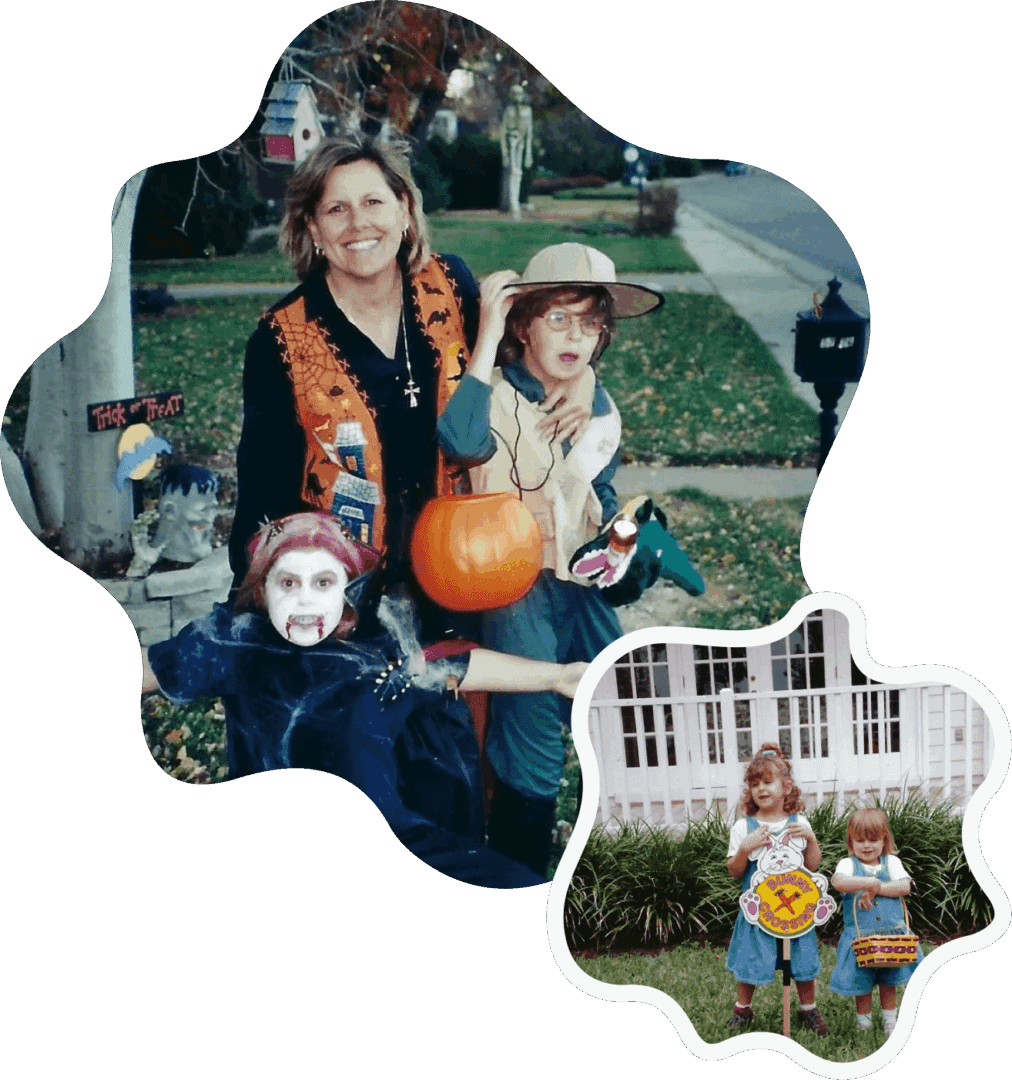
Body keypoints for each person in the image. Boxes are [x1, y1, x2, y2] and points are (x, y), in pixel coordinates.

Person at [143, 513, 588, 889]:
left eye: (322, 582)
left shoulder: (379, 655)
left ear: (346, 593)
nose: (304, 600)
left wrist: (558, 676)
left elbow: (458, 666)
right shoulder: (233, 645)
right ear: (262, 591)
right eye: (288, 582)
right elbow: (150, 669)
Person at [436, 243, 667, 877]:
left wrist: (625, 544)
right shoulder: (495, 391)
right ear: (522, 323)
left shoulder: (597, 405)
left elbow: (602, 492)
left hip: (580, 583)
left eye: (591, 322)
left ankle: (628, 862)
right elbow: (459, 441)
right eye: (558, 318)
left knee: (617, 701)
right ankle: (520, 865)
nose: (576, 336)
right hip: (513, 578)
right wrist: (487, 336)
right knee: (530, 722)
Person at [228, 131, 481, 645]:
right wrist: (278, 598)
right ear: (313, 229)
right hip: (346, 594)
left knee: (462, 714)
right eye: (336, 209)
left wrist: (580, 382)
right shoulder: (280, 337)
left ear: (405, 209)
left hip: (464, 562)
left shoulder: (451, 287)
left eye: (372, 202)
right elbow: (263, 485)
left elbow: (518, 365)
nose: (358, 223)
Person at [725, 743, 830, 1036]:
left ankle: (808, 1009)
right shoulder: (744, 828)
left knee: (801, 959)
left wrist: (811, 840)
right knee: (750, 959)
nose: (761, 788)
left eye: (768, 782)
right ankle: (742, 1009)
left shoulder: (799, 824)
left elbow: (812, 867)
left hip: (796, 908)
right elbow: (734, 872)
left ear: (786, 787)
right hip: (758, 910)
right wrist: (744, 850)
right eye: (754, 784)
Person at [830, 808, 923, 1035]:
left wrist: (877, 886)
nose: (867, 845)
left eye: (873, 839)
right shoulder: (848, 865)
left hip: (892, 934)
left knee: (888, 979)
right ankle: (864, 1020)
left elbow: (904, 887)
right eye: (860, 840)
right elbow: (838, 882)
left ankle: (889, 1019)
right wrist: (866, 881)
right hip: (861, 937)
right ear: (851, 842)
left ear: (884, 840)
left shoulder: (891, 862)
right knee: (861, 981)